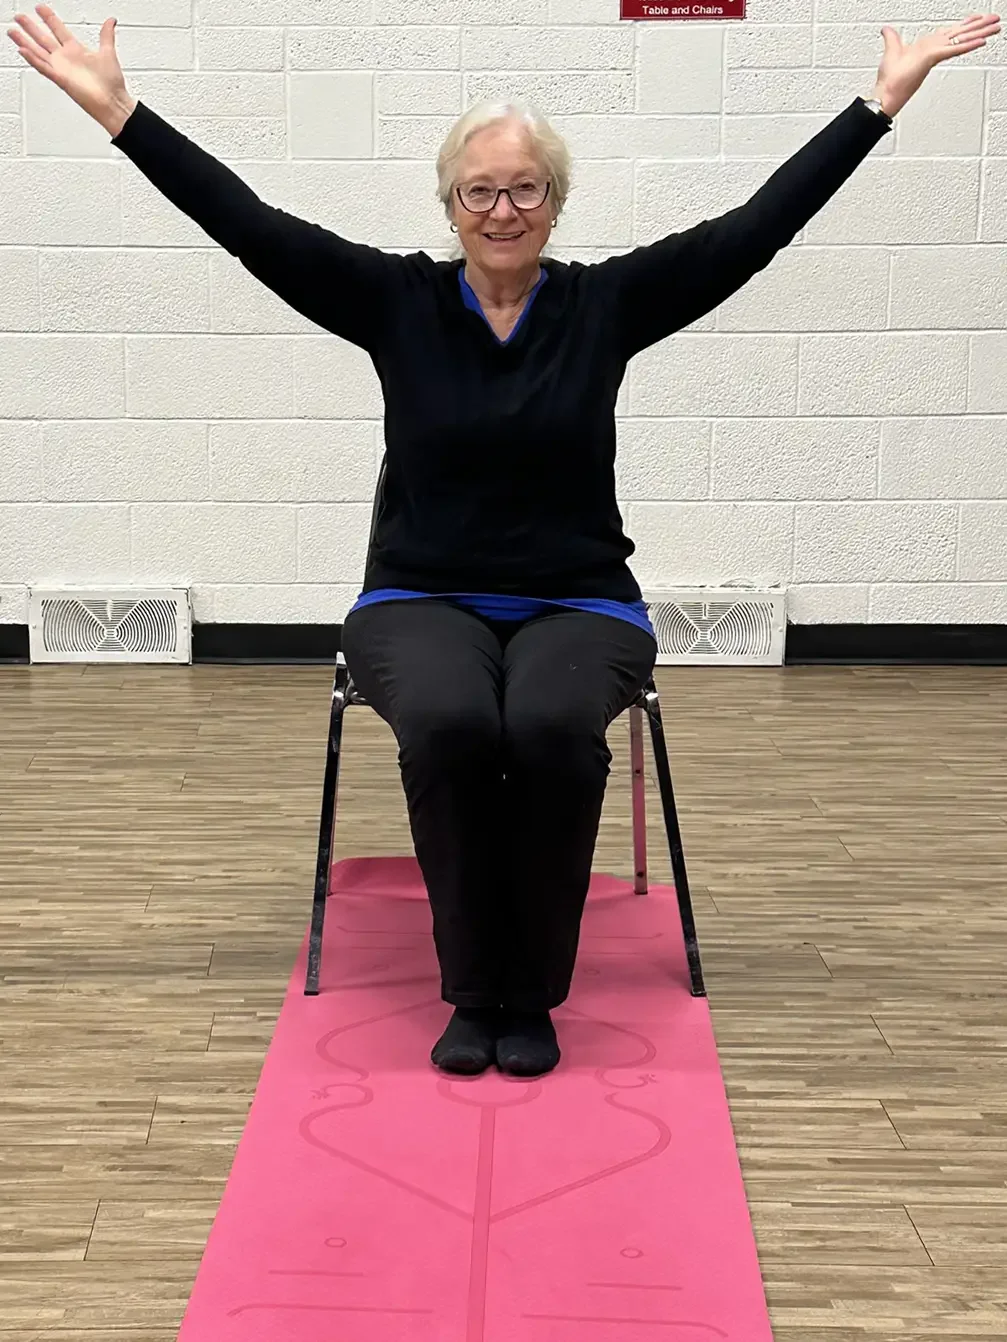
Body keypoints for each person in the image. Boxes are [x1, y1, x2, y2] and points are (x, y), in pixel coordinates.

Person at [9, 5, 999, 1078]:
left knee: (545, 725)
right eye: (479, 191)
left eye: (524, 189)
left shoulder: (604, 305)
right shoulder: (394, 301)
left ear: (554, 201)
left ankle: (527, 995)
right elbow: (250, 225)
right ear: (450, 204)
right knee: (446, 722)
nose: (502, 210)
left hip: (580, 599)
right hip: (417, 597)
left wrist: (876, 106)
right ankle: (471, 988)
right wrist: (122, 114)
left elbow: (751, 232)